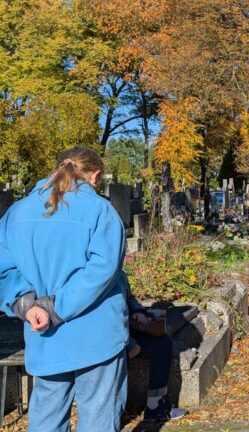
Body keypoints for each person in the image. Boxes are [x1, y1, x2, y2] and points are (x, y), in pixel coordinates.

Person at [0, 147, 128, 431]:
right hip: (97, 338)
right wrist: (55, 307)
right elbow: (103, 271)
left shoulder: (17, 213)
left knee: (46, 418)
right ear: (95, 175)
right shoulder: (101, 211)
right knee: (99, 418)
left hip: (44, 338)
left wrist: (26, 304)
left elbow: (3, 268)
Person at [127, 290, 188, 422]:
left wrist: (139, 312)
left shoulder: (118, 272)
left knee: (163, 344)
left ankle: (154, 406)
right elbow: (108, 317)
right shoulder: (102, 274)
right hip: (113, 341)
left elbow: (129, 297)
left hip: (128, 330)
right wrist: (130, 345)